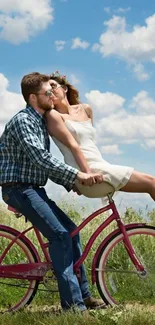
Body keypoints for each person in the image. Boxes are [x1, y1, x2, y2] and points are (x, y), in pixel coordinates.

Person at [0, 72, 106, 313]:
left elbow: (44, 165)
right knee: (60, 236)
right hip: (18, 189)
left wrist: (71, 184)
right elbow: (41, 158)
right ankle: (73, 307)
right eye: (48, 92)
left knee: (72, 232)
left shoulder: (39, 121)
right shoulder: (24, 121)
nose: (52, 95)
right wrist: (77, 175)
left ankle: (85, 297)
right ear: (34, 97)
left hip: (33, 188)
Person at [46, 71, 155, 201]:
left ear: (64, 88)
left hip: (100, 164)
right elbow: (73, 146)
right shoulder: (53, 115)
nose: (50, 91)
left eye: (53, 86)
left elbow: (89, 143)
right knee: (152, 183)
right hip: (87, 171)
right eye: (47, 90)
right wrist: (86, 174)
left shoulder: (86, 109)